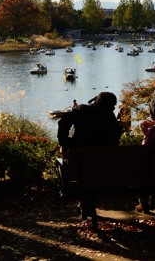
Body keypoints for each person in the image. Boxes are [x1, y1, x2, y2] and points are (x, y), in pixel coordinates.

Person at [56, 91, 123, 219]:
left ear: (96, 102)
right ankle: (86, 201)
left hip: (80, 169)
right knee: (94, 168)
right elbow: (116, 138)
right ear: (112, 106)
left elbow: (63, 122)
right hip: (106, 170)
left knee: (73, 166)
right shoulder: (110, 119)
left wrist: (65, 142)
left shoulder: (82, 112)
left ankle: (85, 201)